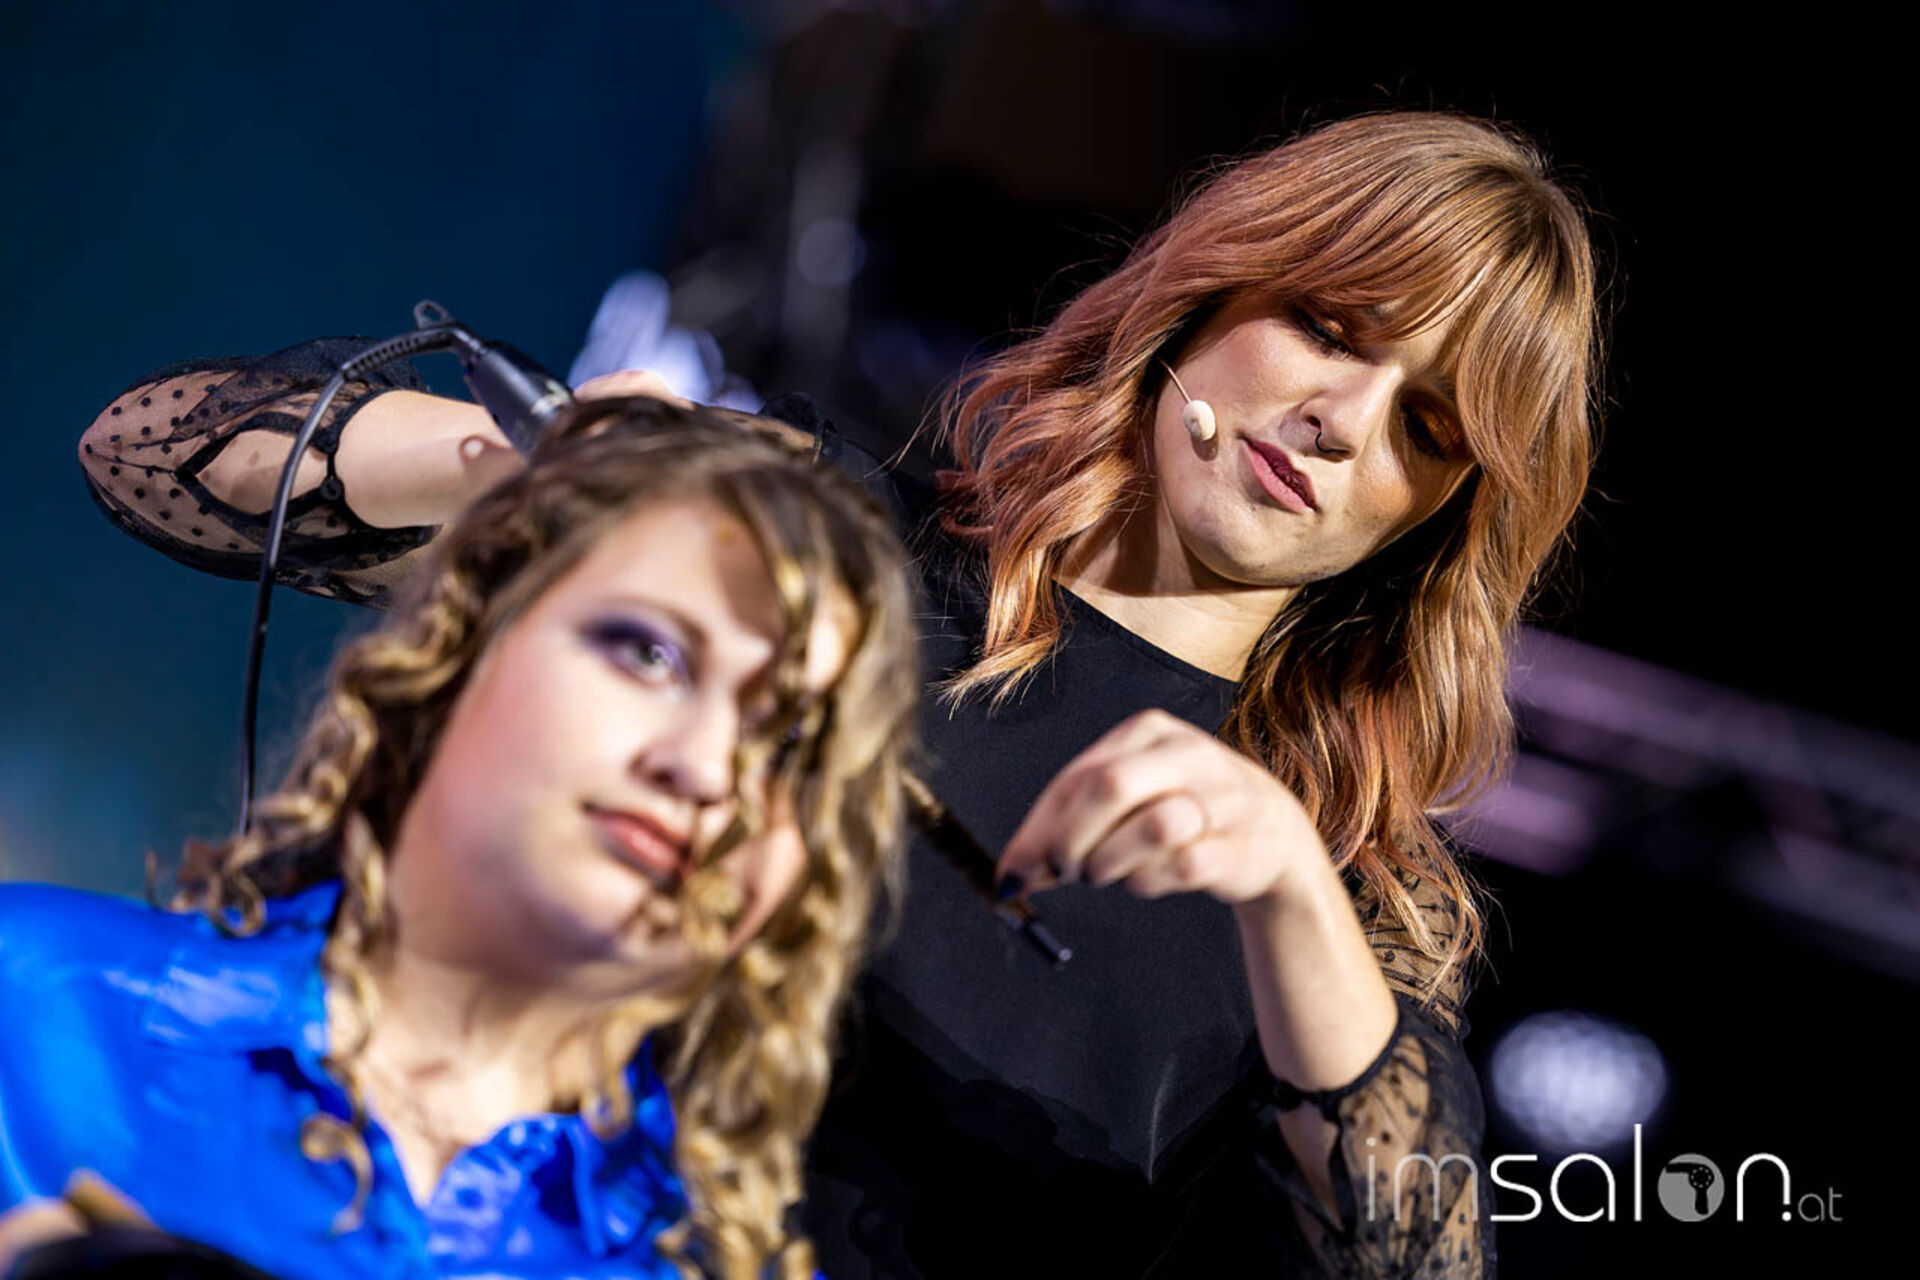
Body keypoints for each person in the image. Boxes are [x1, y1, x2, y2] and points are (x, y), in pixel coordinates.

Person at [74, 109, 1601, 1276]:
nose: (1342, 422)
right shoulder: (816, 541)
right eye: (1331, 330)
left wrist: (1285, 891)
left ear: (1439, 517)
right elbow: (159, 461)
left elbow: (1418, 1254)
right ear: (1216, 293)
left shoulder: (1323, 919)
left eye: (1427, 427)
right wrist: (522, 466)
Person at [9, 404, 921, 1278]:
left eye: (790, 744)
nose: (707, 766)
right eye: (650, 654)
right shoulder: (30, 1010)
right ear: (467, 637)